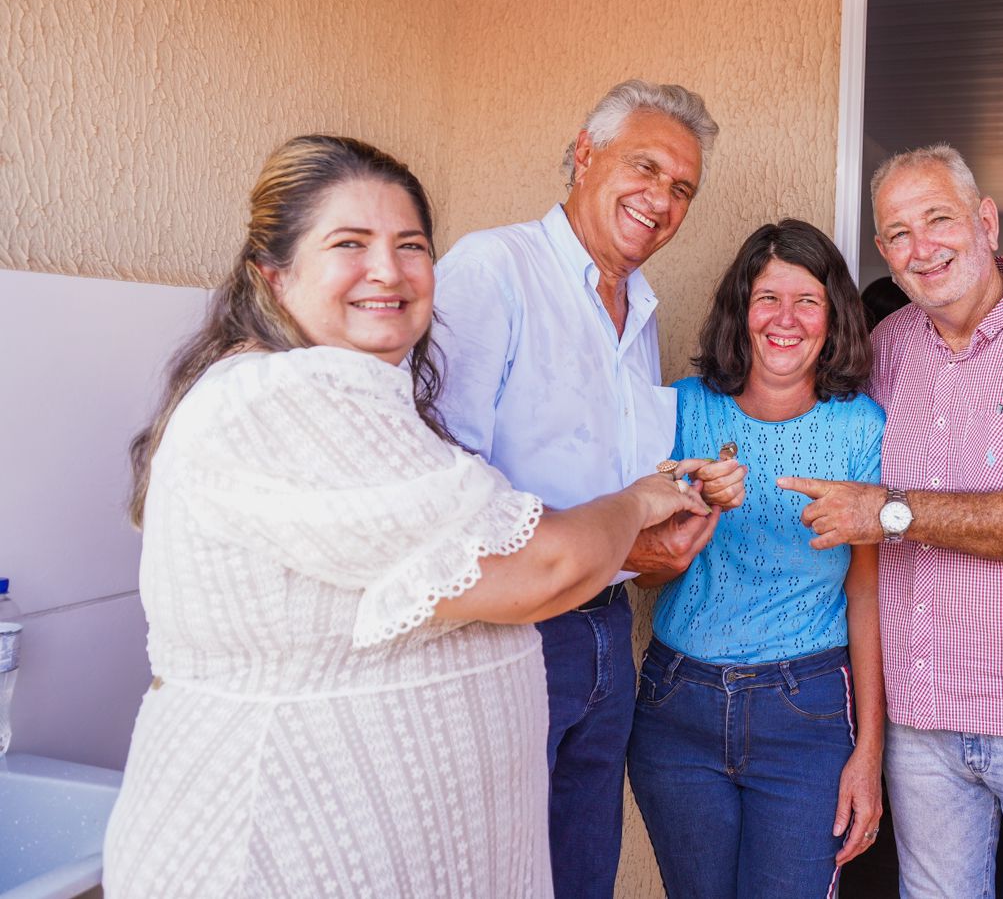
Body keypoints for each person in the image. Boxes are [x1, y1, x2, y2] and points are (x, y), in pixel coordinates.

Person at [102, 135, 713, 898]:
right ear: (274, 273)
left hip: (589, 625)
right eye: (349, 244)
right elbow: (535, 561)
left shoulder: (361, 393)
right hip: (279, 850)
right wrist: (637, 506)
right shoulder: (284, 397)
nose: (387, 271)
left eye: (410, 245)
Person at [779, 144, 1003, 898]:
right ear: (882, 251)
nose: (922, 247)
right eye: (899, 233)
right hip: (925, 723)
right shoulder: (885, 350)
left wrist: (894, 513)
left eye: (938, 219)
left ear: (985, 222)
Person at [430, 79, 745, 898]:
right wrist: (627, 541)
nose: (661, 200)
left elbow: (608, 487)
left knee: (580, 875)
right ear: (584, 153)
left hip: (606, 634)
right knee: (493, 876)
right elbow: (445, 486)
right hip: (510, 632)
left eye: (682, 189)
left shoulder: (639, 309)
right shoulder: (492, 268)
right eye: (645, 168)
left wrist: (671, 524)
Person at [627, 219, 887, 897]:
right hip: (676, 702)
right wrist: (692, 517)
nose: (786, 319)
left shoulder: (863, 428)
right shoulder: (680, 411)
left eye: (808, 301)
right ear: (741, 309)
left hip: (807, 713)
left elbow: (867, 594)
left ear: (833, 319)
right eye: (768, 297)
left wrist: (869, 754)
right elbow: (643, 571)